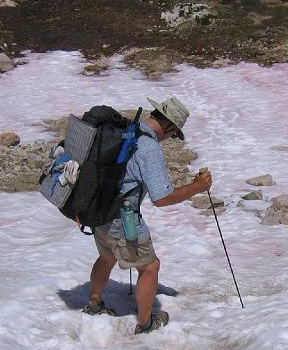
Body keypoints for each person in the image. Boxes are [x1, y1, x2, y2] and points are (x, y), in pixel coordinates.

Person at [82, 95, 212, 334]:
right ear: (170, 126)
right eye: (173, 134)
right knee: (150, 267)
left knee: (107, 256)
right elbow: (161, 197)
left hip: (98, 209)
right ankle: (145, 323)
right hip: (122, 218)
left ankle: (94, 303)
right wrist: (197, 188)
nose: (170, 139)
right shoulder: (149, 147)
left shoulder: (128, 128)